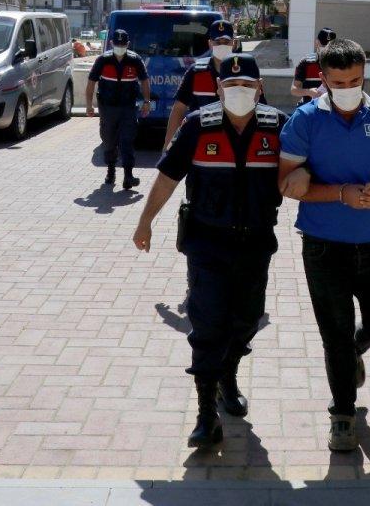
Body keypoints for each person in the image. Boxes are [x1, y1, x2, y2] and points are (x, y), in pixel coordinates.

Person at [133, 53, 305, 449]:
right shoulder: (198, 125)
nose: (239, 92)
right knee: (208, 323)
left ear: (260, 88)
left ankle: (228, 373)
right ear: (218, 89)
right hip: (207, 242)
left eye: (247, 85)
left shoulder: (279, 127)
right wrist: (145, 222)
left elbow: (301, 171)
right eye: (231, 86)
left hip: (256, 242)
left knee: (246, 320)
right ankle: (206, 413)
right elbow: (167, 177)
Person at [277, 38, 370, 453]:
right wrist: (340, 194)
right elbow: (285, 183)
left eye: (355, 79)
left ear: (364, 74)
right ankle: (342, 415)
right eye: (339, 81)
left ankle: (354, 350)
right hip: (323, 247)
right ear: (323, 78)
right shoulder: (304, 121)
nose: (349, 86)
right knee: (333, 335)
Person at [86, 29, 151, 188]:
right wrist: (89, 105)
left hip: (128, 108)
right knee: (108, 140)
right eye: (117, 44)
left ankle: (128, 176)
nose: (120, 46)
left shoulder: (135, 60)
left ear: (128, 44)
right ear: (111, 43)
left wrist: (147, 101)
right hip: (108, 108)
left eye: (123, 44)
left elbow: (144, 81)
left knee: (127, 141)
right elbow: (91, 83)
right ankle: (110, 171)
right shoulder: (103, 60)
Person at [162, 19, 236, 147]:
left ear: (233, 44)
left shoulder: (245, 72)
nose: (222, 45)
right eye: (217, 42)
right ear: (210, 44)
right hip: (199, 143)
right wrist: (168, 148)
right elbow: (178, 109)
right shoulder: (196, 71)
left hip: (233, 143)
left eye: (226, 42)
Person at [290, 27, 336, 105]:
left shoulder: (340, 63)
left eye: (330, 45)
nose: (326, 48)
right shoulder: (306, 62)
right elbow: (294, 89)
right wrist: (309, 92)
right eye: (324, 44)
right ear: (317, 42)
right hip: (310, 109)